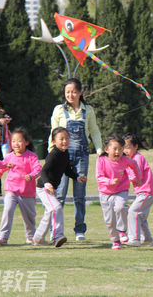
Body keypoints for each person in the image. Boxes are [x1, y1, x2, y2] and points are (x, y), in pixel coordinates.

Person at [49, 78, 102, 242]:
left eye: (73, 91)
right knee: (60, 194)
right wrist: (51, 151)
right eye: (67, 92)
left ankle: (80, 230)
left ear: (80, 92)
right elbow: (53, 132)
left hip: (82, 156)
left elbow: (94, 132)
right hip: (61, 157)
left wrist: (100, 150)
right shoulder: (58, 110)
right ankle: (56, 230)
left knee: (79, 196)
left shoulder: (89, 110)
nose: (70, 94)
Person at [33, 127, 87, 248]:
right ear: (53, 141)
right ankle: (57, 236)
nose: (65, 141)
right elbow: (44, 171)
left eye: (67, 138)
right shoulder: (54, 154)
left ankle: (38, 238)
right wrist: (48, 184)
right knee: (56, 207)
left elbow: (67, 170)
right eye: (61, 139)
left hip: (52, 188)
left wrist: (78, 177)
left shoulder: (65, 153)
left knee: (50, 212)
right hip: (44, 187)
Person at [0, 128, 42, 246]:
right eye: (13, 141)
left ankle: (30, 236)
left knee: (29, 216)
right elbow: (3, 165)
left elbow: (38, 169)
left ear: (26, 142)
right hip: (11, 190)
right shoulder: (9, 156)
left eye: (19, 141)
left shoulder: (31, 156)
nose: (16, 144)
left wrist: (31, 175)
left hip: (27, 192)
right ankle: (2, 237)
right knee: (7, 211)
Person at [96, 135, 141, 250]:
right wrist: (110, 181)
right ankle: (115, 241)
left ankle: (122, 231)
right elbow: (99, 177)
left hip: (121, 190)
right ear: (107, 149)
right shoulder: (101, 160)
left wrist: (136, 177)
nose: (118, 152)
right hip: (105, 193)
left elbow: (134, 165)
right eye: (115, 149)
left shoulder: (125, 160)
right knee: (110, 220)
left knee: (121, 207)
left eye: (120, 149)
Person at [122, 133, 153, 247]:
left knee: (133, 212)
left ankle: (135, 239)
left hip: (147, 191)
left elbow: (137, 175)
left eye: (128, 148)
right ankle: (147, 239)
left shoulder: (137, 158)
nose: (125, 151)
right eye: (123, 148)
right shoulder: (129, 159)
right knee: (140, 216)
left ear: (135, 147)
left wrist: (124, 180)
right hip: (146, 191)